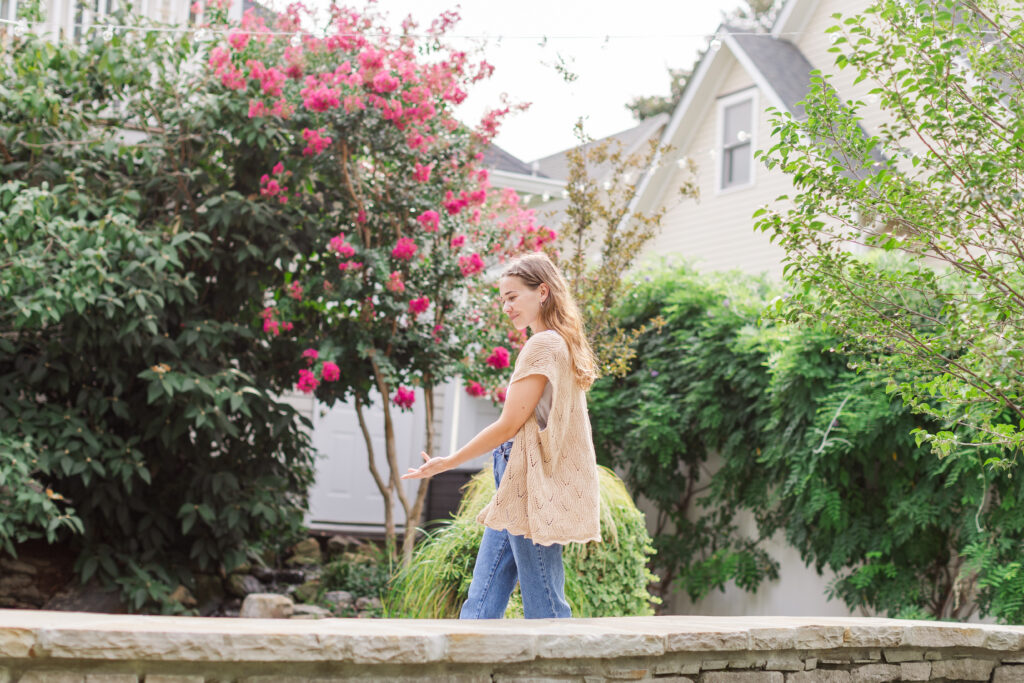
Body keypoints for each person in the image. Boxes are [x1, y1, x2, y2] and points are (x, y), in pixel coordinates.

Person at [401, 252, 603, 619]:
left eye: (513, 297)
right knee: (482, 598)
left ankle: (558, 672)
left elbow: (510, 424)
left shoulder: (544, 345)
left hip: (528, 478)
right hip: (519, 475)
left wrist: (450, 461)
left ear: (542, 292)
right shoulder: (561, 343)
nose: (506, 307)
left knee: (544, 600)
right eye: (503, 300)